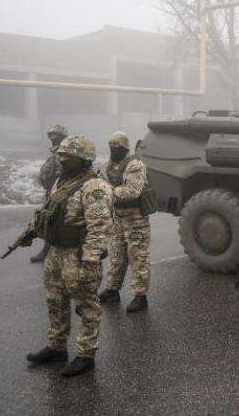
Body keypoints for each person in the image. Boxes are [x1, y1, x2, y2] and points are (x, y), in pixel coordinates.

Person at [25, 135, 113, 377]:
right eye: (60, 155)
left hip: (78, 254)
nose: (61, 160)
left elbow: (99, 228)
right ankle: (57, 347)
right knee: (55, 300)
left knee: (86, 305)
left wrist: (90, 261)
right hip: (56, 253)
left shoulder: (95, 187)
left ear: (83, 159)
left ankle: (86, 354)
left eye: (67, 156)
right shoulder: (61, 182)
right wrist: (33, 229)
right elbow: (49, 211)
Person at [98, 131, 152, 313]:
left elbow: (132, 191)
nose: (113, 150)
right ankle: (112, 290)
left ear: (124, 148)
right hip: (119, 217)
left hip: (136, 219)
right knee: (117, 255)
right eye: (111, 147)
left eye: (116, 147)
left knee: (138, 257)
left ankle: (140, 297)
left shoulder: (135, 164)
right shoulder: (112, 164)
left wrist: (108, 192)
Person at [30, 124, 69, 262]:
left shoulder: (66, 153)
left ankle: (59, 253)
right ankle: (47, 251)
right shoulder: (54, 153)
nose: (52, 138)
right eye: (51, 136)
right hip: (51, 192)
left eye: (55, 135)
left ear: (62, 137)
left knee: (62, 223)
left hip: (63, 193)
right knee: (49, 221)